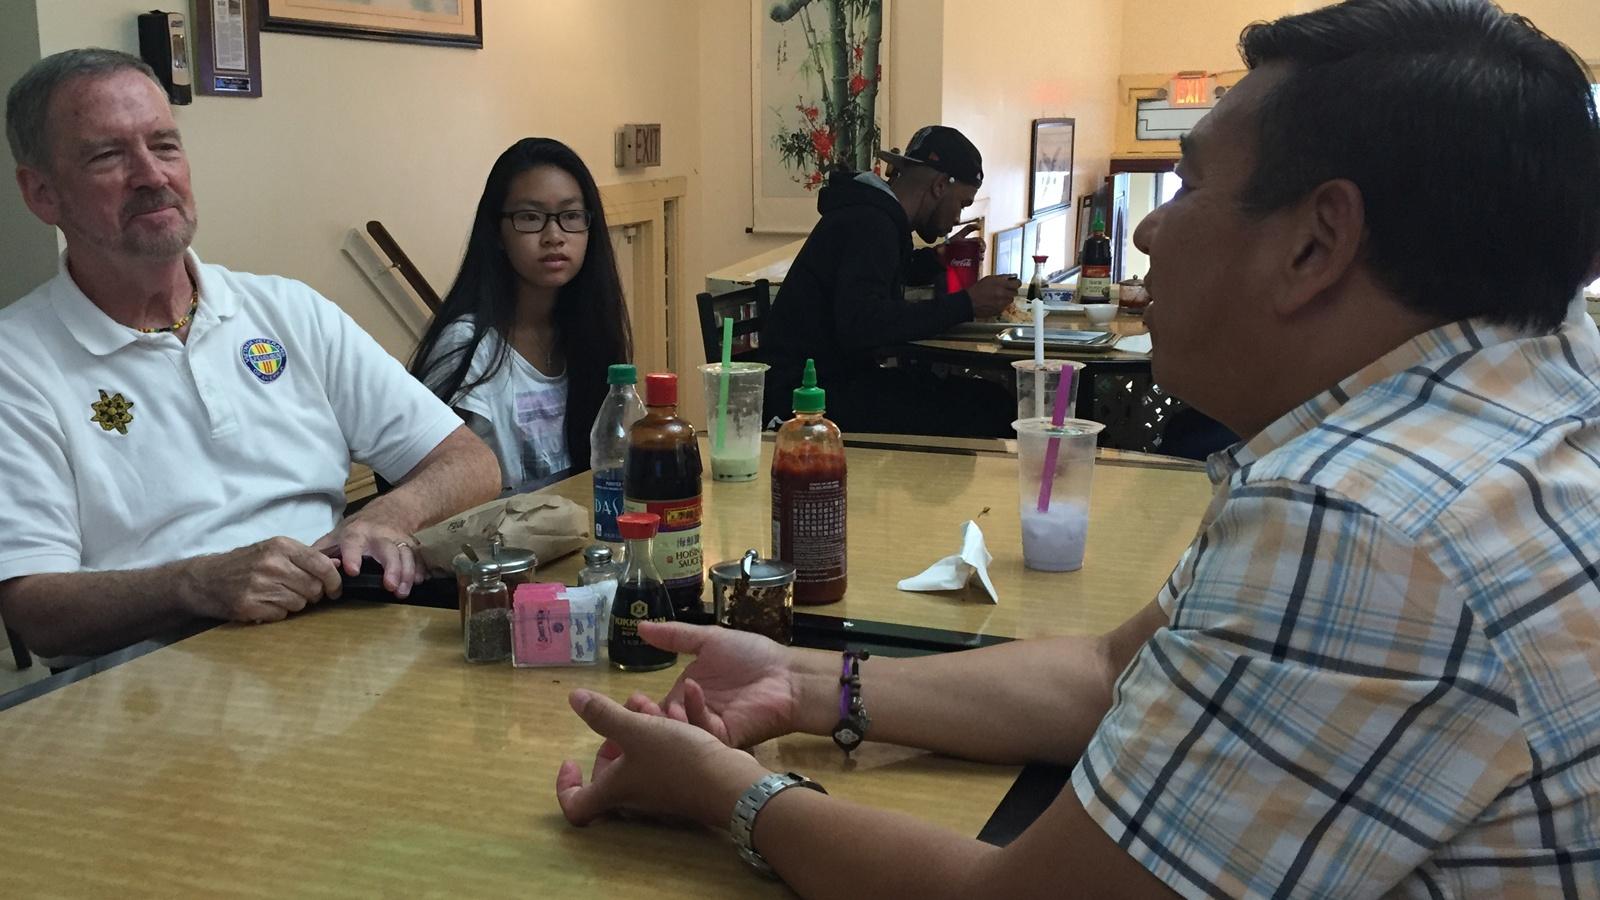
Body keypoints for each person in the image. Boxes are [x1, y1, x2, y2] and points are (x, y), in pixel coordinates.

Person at [553, 1, 1600, 896]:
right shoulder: (1537, 389)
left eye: (1184, 187)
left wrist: (722, 793)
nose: (1146, 235)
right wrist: (797, 677)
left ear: (1315, 243)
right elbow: (1112, 669)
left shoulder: (1368, 517)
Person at [0, 49, 501, 662]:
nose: (151, 175)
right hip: (146, 692)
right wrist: (197, 584)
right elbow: (33, 609)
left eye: (164, 145)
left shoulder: (286, 309)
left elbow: (470, 461)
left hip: (341, 647)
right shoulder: (16, 363)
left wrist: (385, 518)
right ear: (42, 193)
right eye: (108, 155)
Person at [762, 125, 1020, 438]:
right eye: (963, 204)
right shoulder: (871, 223)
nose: (957, 218)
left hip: (829, 379)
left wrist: (936, 259)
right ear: (940, 185)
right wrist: (966, 304)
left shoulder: (872, 214)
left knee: (980, 400)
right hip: (807, 396)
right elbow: (863, 322)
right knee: (990, 407)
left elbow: (878, 276)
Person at [410, 138, 633, 496]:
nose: (554, 236)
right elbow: (429, 488)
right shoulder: (466, 348)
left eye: (571, 216)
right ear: (497, 232)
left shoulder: (587, 332)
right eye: (530, 217)